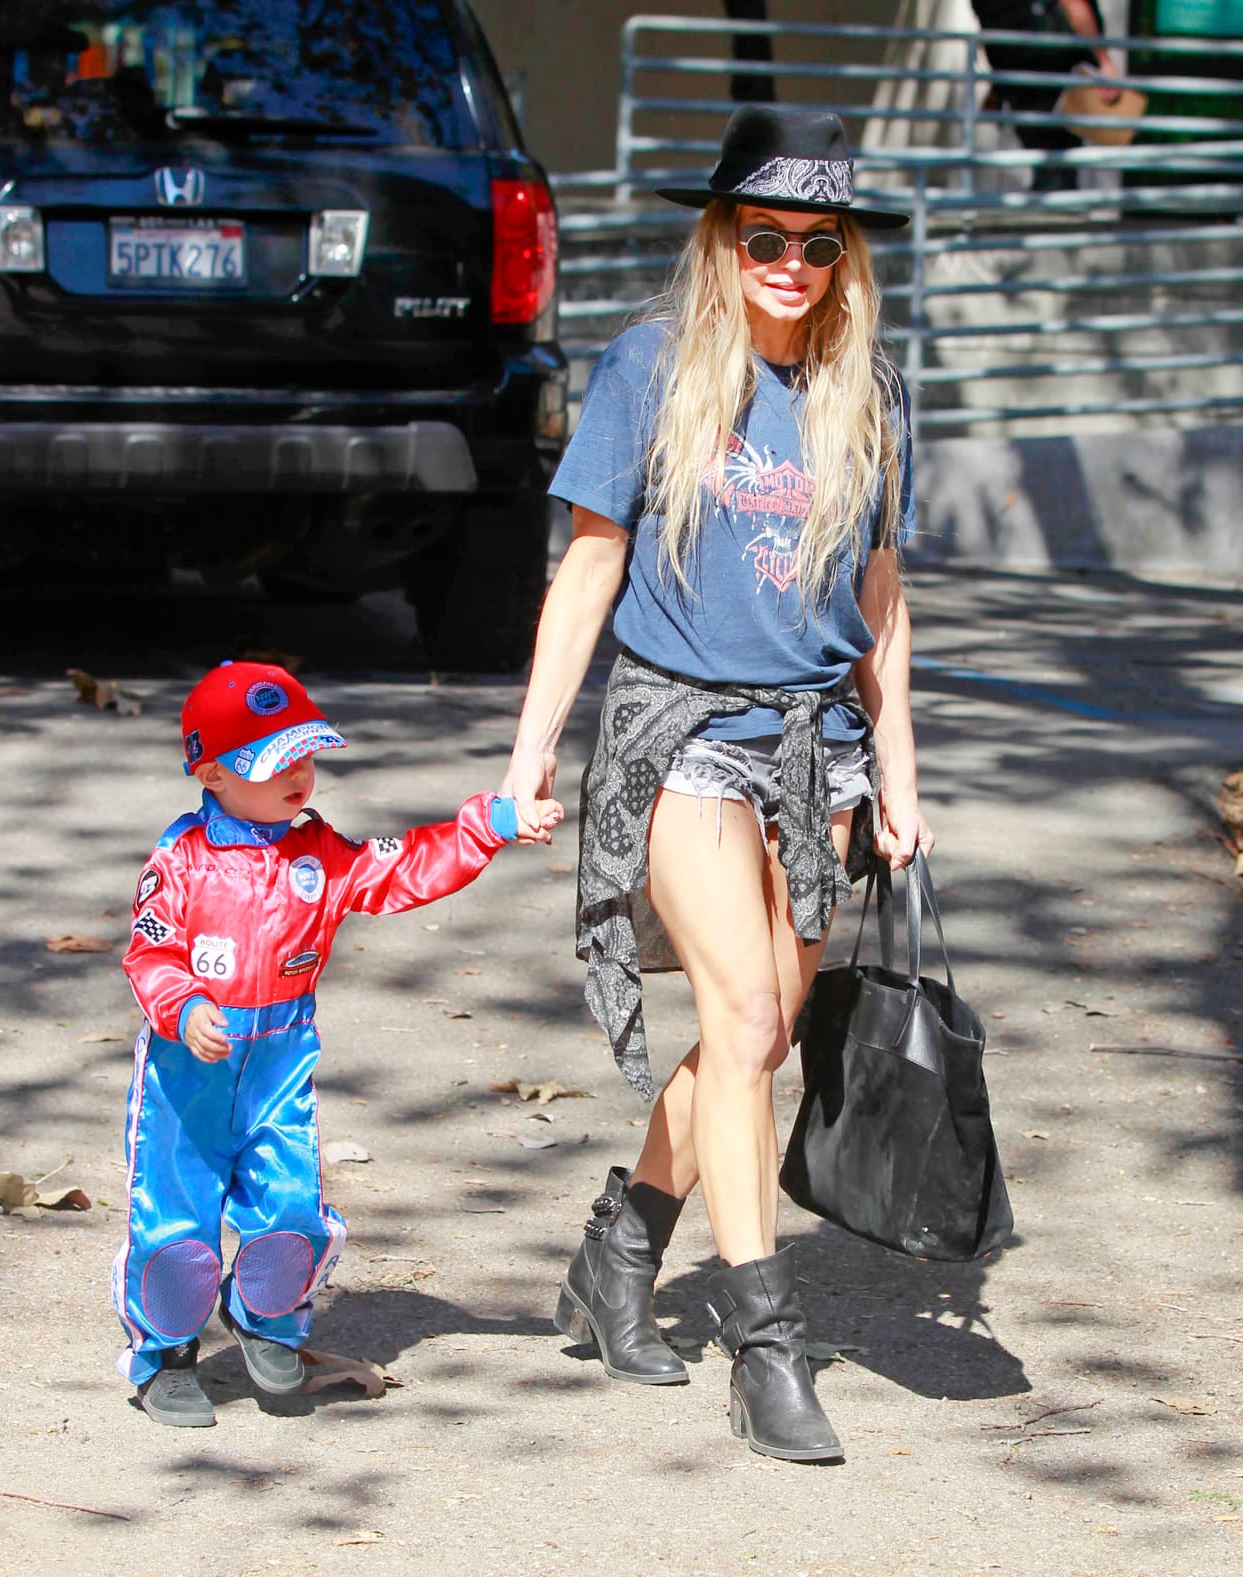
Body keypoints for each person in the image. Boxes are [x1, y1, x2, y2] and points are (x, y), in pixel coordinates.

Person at [501, 105, 933, 1464]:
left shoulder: (869, 392)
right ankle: (765, 1340)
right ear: (722, 238)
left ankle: (619, 1251)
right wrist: (529, 747)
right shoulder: (651, 367)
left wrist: (899, 773)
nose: (790, 264)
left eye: (817, 241)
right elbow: (588, 566)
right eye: (764, 237)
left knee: (761, 1034)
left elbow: (880, 602)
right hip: (678, 728)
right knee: (741, 1012)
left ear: (845, 252)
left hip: (818, 748)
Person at [115, 660, 561, 1427]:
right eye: (273, 761)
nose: (298, 773)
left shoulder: (319, 854)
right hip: (189, 1075)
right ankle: (166, 1354)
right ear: (212, 772)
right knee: (176, 1218)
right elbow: (150, 950)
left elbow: (405, 867)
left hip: (280, 1063)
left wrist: (489, 823)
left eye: (304, 755)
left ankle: (264, 1319)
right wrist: (182, 1007)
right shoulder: (182, 860)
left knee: (292, 1207)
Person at [972, 0, 1124, 189]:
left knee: (1048, 162)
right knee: (1057, 166)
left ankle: (1049, 193)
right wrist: (1104, 61)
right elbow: (1074, 4)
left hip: (1017, 80)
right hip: (1053, 74)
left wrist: (998, 84)